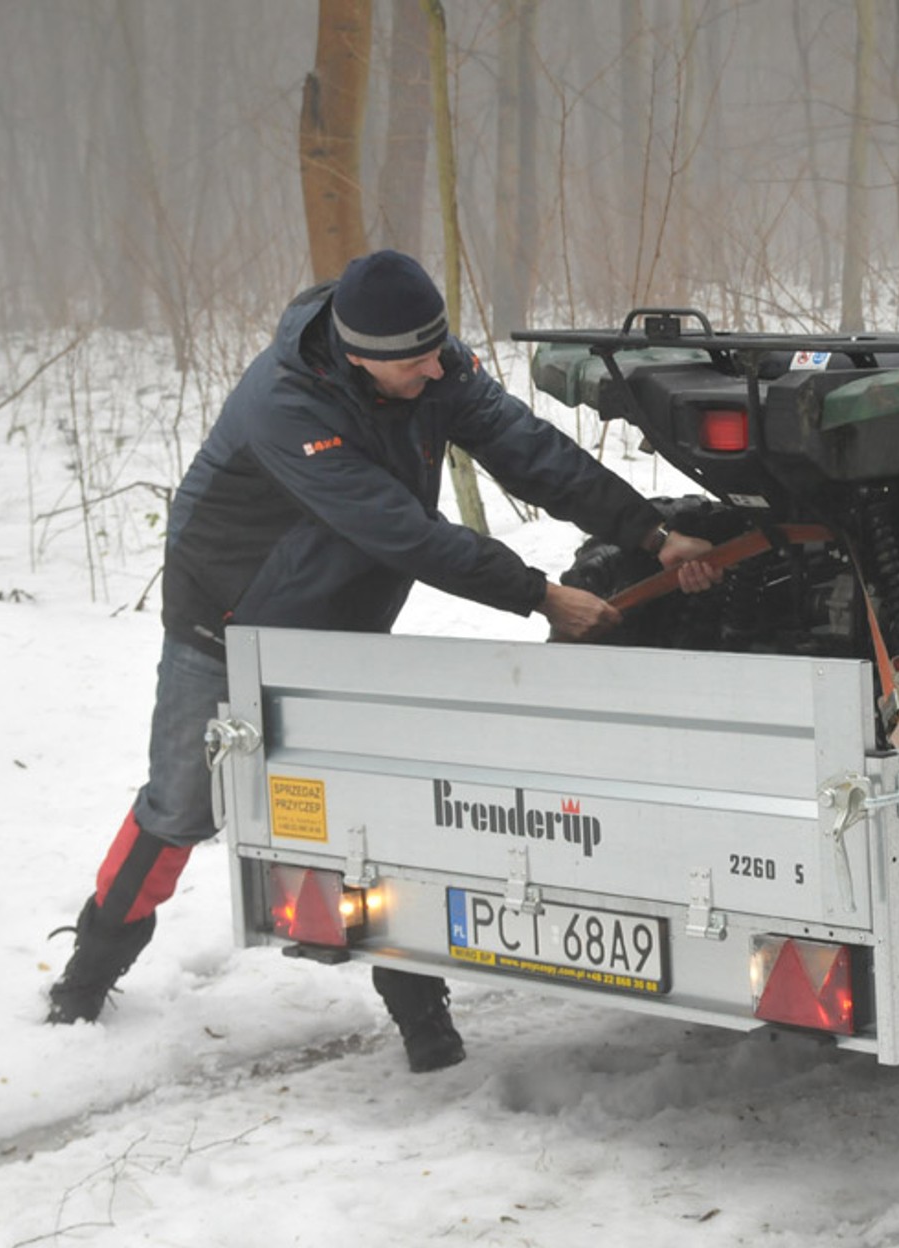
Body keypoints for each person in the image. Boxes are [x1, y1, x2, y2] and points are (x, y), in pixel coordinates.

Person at [46, 250, 719, 1071]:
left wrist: (648, 532)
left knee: (377, 816)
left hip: (343, 621)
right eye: (417, 361)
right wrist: (541, 595)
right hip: (227, 628)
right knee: (182, 807)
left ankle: (423, 1020)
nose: (442, 369)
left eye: (442, 350)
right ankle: (84, 983)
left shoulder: (430, 364)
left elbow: (524, 447)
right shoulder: (284, 405)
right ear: (357, 352)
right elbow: (402, 530)